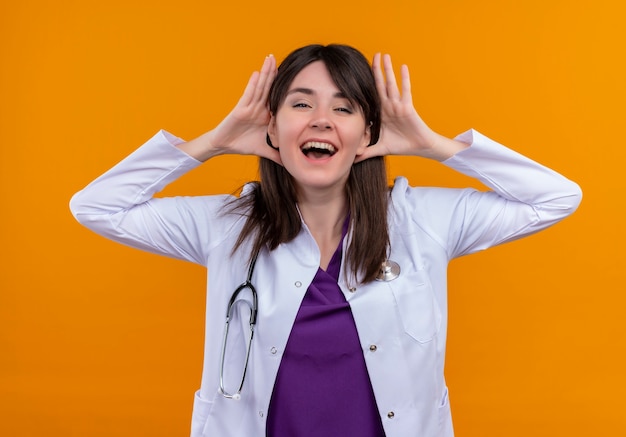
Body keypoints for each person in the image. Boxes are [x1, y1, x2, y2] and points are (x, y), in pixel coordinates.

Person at [70, 44, 582, 437]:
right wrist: (214, 142)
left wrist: (433, 145)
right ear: (272, 126)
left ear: (368, 133)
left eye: (344, 108)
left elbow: (556, 198)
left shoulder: (421, 220)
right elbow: (96, 207)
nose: (321, 120)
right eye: (301, 103)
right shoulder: (228, 226)